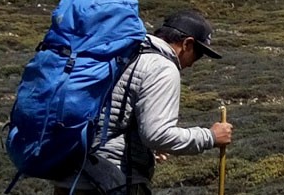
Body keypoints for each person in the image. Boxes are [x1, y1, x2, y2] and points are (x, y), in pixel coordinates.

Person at [65, 11, 234, 194]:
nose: (193, 64)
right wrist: (211, 137)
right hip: (113, 181)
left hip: (71, 176)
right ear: (187, 43)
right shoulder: (162, 67)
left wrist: (144, 149)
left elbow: (115, 116)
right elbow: (157, 135)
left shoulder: (126, 54)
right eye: (198, 54)